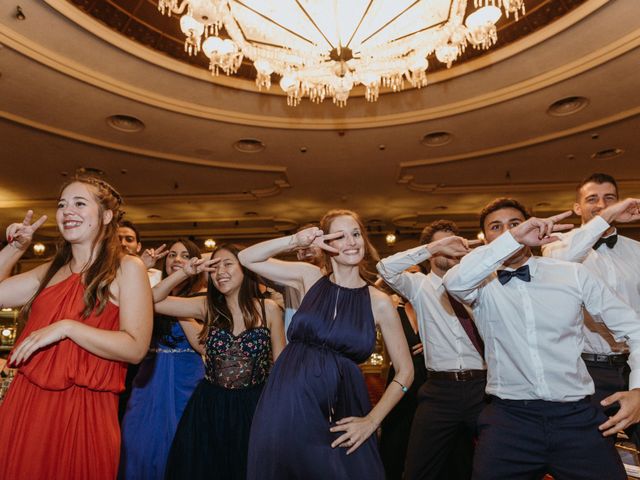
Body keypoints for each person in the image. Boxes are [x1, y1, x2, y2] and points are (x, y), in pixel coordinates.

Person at [443, 197, 640, 480]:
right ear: (487, 238)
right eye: (496, 227)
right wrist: (511, 238)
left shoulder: (571, 273)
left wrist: (639, 390)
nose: (508, 231)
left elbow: (634, 328)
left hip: (578, 418)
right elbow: (453, 282)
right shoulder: (478, 284)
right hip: (509, 421)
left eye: (515, 224)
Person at [239, 209, 413, 480]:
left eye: (355, 234)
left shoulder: (379, 301)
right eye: (340, 236)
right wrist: (297, 240)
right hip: (288, 395)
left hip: (343, 401)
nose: (351, 242)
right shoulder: (308, 278)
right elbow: (247, 258)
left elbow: (405, 372)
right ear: (327, 244)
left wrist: (372, 420)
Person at [0, 175, 153, 479]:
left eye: (79, 203)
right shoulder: (51, 269)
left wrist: (67, 327)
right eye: (61, 204)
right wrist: (16, 248)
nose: (67, 211)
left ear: (106, 216)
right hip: (26, 403)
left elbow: (135, 347)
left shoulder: (127, 268)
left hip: (85, 409)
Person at [153, 244, 285, 480]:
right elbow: (152, 300)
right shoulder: (207, 306)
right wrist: (186, 272)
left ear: (245, 269)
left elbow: (282, 367)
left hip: (253, 408)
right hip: (209, 407)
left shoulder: (269, 309)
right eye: (214, 267)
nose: (220, 271)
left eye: (227, 264)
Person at [377, 220, 486, 480]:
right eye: (442, 247)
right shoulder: (418, 286)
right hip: (439, 391)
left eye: (453, 244)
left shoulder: (481, 283)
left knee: (496, 465)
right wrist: (431, 247)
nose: (449, 252)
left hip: (483, 387)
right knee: (417, 470)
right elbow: (385, 268)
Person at [542, 173, 640, 446]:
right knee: (593, 457)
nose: (601, 204)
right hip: (587, 372)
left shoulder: (637, 251)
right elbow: (559, 265)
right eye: (592, 199)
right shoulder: (557, 247)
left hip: (635, 365)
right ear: (577, 208)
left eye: (609, 198)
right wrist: (605, 218)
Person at [119, 239, 206, 479]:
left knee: (182, 439)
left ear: (194, 262)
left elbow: (202, 346)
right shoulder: (151, 292)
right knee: (137, 440)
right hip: (150, 375)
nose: (177, 259)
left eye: (185, 255)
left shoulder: (205, 296)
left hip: (186, 377)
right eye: (172, 255)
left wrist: (181, 312)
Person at [376, 265, 429, 480]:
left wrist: (434, 344)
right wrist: (386, 283)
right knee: (395, 444)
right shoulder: (391, 306)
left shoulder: (436, 306)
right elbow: (367, 290)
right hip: (401, 383)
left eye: (416, 273)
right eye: (405, 274)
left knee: (428, 446)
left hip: (430, 382)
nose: (410, 277)